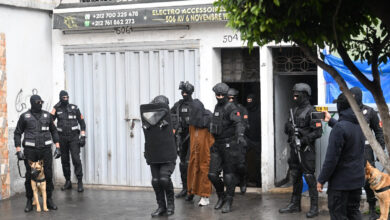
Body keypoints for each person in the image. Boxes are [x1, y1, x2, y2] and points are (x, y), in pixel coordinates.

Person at [325, 87, 385, 220]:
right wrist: (330, 121)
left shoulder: (369, 112)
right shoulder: (350, 112)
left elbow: (378, 132)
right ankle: (352, 210)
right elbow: (345, 129)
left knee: (369, 181)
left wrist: (380, 151)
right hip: (352, 150)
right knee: (354, 182)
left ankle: (372, 209)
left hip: (367, 151)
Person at [317, 93, 366, 219]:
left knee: (338, 215)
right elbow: (347, 130)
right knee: (354, 213)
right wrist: (331, 120)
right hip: (356, 181)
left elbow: (331, 159)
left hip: (340, 185)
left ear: (340, 106)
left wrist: (321, 179)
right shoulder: (360, 124)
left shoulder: (340, 128)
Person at [279, 83, 322, 218]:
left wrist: (302, 140)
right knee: (295, 176)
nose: (295, 96)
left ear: (305, 95)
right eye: (294, 94)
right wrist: (290, 128)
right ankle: (294, 204)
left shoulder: (314, 111)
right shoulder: (294, 110)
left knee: (309, 177)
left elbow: (318, 132)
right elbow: (286, 129)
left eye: (298, 94)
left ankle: (314, 207)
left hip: (306, 150)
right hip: (294, 149)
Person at [14, 95, 61, 212]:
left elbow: (54, 131)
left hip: (45, 150)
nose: (40, 103)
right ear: (32, 103)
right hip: (30, 151)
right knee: (30, 176)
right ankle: (29, 201)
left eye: (41, 101)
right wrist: (18, 151)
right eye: (38, 102)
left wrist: (58, 147)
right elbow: (17, 133)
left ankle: (49, 200)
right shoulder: (25, 116)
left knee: (48, 175)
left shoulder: (48, 116)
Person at [208, 83, 246, 213]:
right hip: (217, 144)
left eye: (221, 95)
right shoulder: (217, 107)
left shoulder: (231, 107)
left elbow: (239, 122)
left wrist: (240, 135)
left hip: (229, 144)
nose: (218, 97)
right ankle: (221, 196)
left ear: (225, 95)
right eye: (217, 95)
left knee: (229, 175)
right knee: (212, 174)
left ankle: (229, 201)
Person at [140, 95, 177, 217]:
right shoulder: (149, 118)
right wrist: (147, 152)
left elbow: (173, 135)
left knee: (164, 179)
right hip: (155, 153)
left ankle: (171, 206)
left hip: (167, 154)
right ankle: (161, 207)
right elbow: (149, 137)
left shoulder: (173, 119)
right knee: (156, 181)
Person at [171, 81, 203, 201]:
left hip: (193, 137)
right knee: (183, 164)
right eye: (182, 92)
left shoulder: (196, 105)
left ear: (190, 93)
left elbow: (204, 117)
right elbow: (169, 115)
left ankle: (192, 190)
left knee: (192, 164)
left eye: (186, 92)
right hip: (181, 137)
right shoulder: (178, 105)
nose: (184, 94)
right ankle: (185, 188)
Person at [51, 90, 86, 192]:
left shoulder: (74, 108)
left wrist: (83, 136)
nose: (66, 99)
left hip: (74, 137)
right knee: (64, 160)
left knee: (76, 159)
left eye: (67, 97)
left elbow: (82, 123)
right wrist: (54, 107)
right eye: (64, 98)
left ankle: (80, 182)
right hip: (62, 138)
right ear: (60, 98)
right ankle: (68, 181)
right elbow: (49, 120)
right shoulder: (57, 108)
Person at [187, 102, 214, 206]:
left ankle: (205, 196)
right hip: (194, 150)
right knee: (193, 169)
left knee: (204, 170)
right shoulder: (192, 122)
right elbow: (192, 136)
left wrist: (211, 148)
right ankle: (192, 191)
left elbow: (211, 137)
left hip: (205, 150)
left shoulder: (208, 119)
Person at [227, 88, 249, 193]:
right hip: (227, 140)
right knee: (229, 165)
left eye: (232, 98)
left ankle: (243, 181)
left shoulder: (242, 109)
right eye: (229, 98)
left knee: (240, 164)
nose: (230, 100)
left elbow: (244, 124)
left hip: (239, 139)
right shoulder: (224, 108)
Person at [245, 93, 261, 187]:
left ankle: (259, 182)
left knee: (258, 162)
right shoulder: (245, 111)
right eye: (248, 101)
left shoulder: (259, 111)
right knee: (244, 161)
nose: (249, 103)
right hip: (247, 139)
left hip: (258, 140)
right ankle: (245, 181)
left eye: (251, 101)